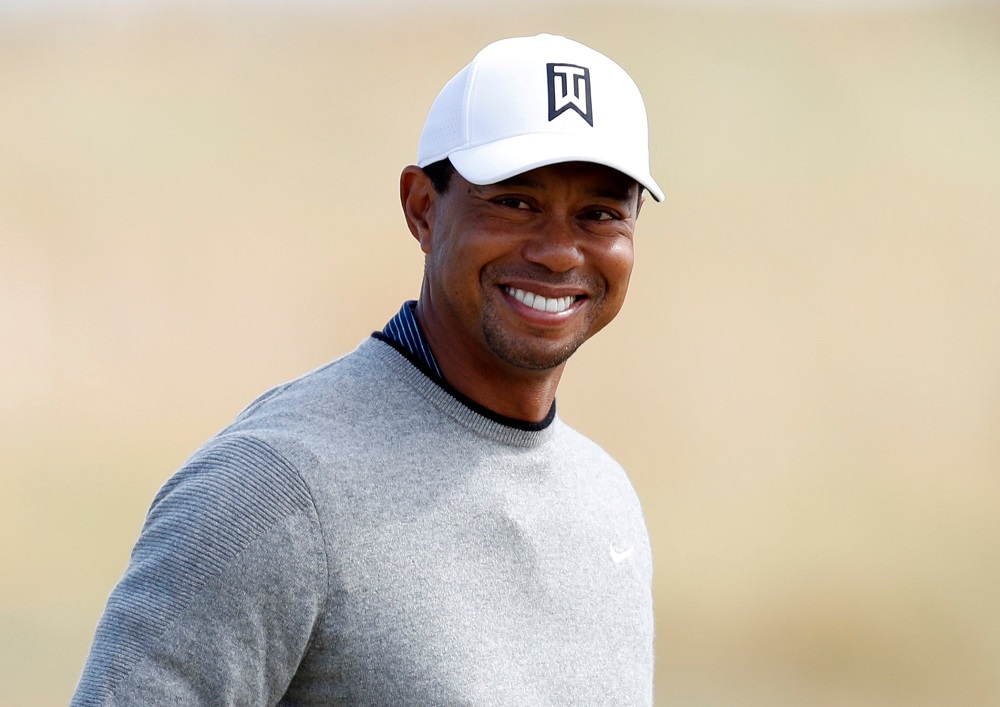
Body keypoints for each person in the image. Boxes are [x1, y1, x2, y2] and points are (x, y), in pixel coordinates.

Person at [72, 33, 664, 706]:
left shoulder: (605, 501)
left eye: (600, 214)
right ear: (422, 207)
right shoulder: (272, 491)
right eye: (515, 202)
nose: (560, 252)